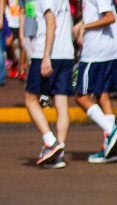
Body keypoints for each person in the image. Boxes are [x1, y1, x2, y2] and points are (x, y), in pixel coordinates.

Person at [72, 0, 117, 164]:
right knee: (102, 96)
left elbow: (110, 17)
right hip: (107, 51)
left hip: (96, 52)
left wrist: (84, 26)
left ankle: (111, 130)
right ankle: (108, 150)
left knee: (81, 97)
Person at [24, 0, 73, 168]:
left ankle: (51, 142)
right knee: (61, 101)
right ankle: (59, 153)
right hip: (66, 53)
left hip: (49, 53)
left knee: (31, 100)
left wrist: (46, 56)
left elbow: (51, 24)